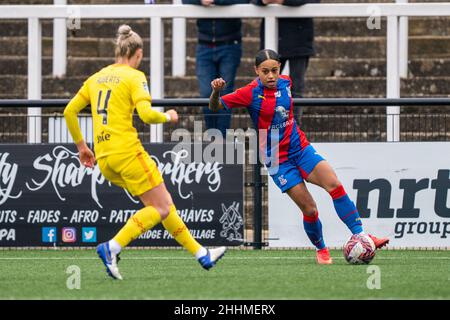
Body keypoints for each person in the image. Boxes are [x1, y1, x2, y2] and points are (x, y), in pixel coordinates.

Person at [64, 25, 226, 280]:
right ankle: (112, 247)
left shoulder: (96, 77)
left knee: (163, 205)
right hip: (128, 152)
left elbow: (69, 111)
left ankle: (201, 253)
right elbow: (147, 115)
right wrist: (169, 116)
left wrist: (82, 147)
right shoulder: (134, 76)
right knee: (161, 208)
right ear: (138, 53)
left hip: (105, 159)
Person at [208, 49, 389, 265]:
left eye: (274, 70)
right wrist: (216, 92)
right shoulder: (249, 92)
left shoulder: (286, 82)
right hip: (278, 160)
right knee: (310, 209)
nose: (271, 76)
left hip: (300, 148)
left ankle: (362, 237)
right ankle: (321, 249)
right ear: (256, 71)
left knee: (335, 185)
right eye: (265, 71)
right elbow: (215, 106)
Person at [182, 0, 249, 137]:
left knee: (225, 94)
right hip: (204, 45)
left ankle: (222, 139)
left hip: (230, 44)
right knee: (207, 93)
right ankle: (212, 137)